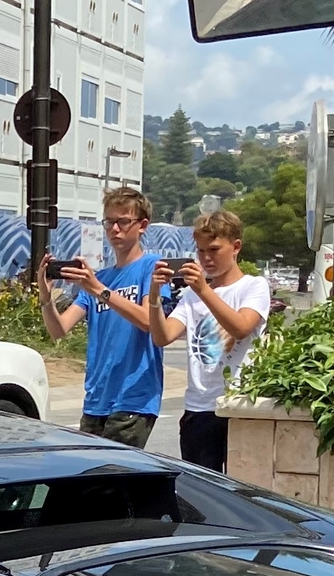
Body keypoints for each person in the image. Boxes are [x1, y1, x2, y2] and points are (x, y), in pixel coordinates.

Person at [35, 186, 165, 447]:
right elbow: (58, 330)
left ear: (142, 225)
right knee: (92, 481)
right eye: (109, 222)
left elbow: (148, 321)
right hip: (96, 398)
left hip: (133, 398)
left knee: (111, 482)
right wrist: (46, 298)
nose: (115, 229)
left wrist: (99, 290)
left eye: (123, 222)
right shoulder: (100, 278)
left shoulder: (150, 267)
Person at [150, 209, 273, 471]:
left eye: (214, 249)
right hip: (198, 408)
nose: (206, 258)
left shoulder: (253, 286)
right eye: (201, 250)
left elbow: (241, 327)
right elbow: (163, 336)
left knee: (240, 492)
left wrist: (204, 290)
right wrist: (153, 297)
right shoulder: (192, 295)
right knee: (202, 497)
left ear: (236, 246)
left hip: (239, 405)